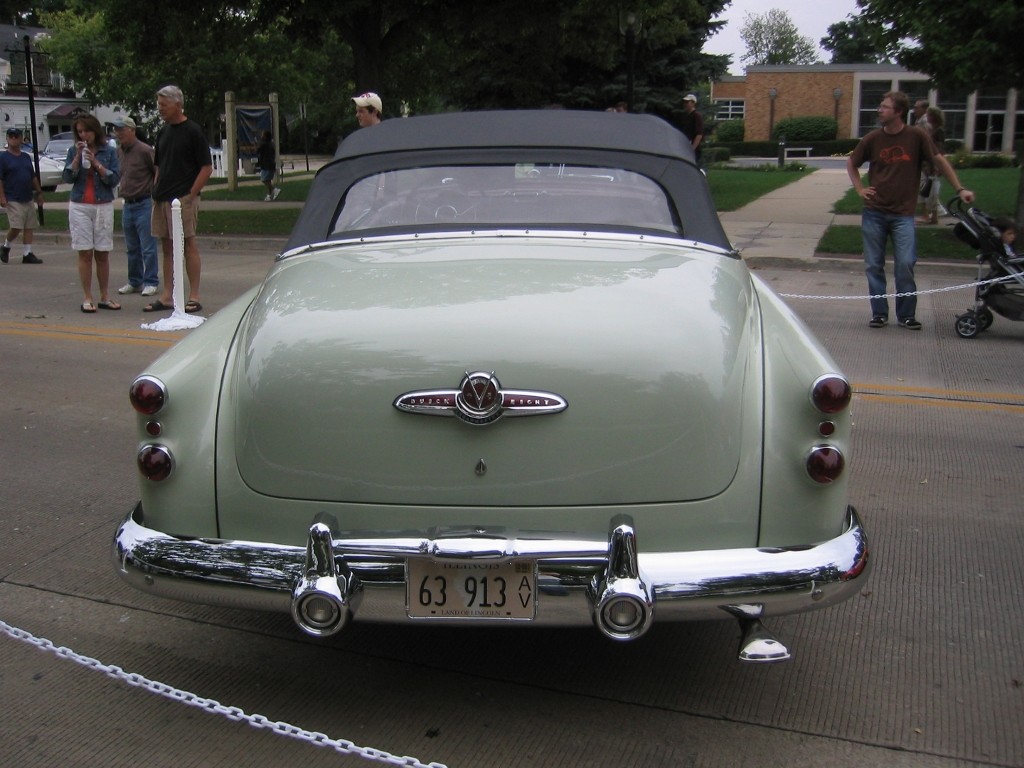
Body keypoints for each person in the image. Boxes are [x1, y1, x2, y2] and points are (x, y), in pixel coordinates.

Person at [846, 91, 974, 331]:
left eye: (884, 107)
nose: (879, 110)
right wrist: (860, 189)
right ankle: (879, 314)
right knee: (874, 265)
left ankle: (906, 315)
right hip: (874, 212)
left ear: (898, 112)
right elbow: (852, 163)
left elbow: (939, 160)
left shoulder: (916, 136)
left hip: (903, 215)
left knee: (905, 263)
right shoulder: (872, 139)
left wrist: (960, 188)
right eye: (880, 106)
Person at [144, 84, 213, 315]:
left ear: (178, 104)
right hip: (162, 198)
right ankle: (168, 295)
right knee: (167, 247)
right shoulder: (163, 132)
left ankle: (193, 295)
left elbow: (206, 167)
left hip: (182, 199)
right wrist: (156, 185)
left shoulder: (193, 131)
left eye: (164, 105)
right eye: (159, 105)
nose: (160, 109)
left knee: (188, 244)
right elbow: (159, 165)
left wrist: (191, 195)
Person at [62, 114, 122, 313]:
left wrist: (96, 163)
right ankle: (87, 297)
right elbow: (67, 177)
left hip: (102, 204)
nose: (83, 135)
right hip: (80, 204)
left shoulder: (109, 152)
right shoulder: (73, 151)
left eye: (86, 131)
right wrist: (78, 158)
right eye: (79, 132)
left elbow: (113, 179)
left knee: (102, 252)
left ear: (95, 131)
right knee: (85, 252)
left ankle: (105, 295)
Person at [113, 116, 159, 297]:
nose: (118, 134)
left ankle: (151, 281)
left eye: (122, 129)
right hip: (128, 204)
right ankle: (135, 281)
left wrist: (154, 192)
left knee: (148, 247)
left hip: (144, 203)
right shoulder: (119, 152)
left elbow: (157, 171)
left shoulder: (145, 150)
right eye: (117, 130)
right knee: (131, 247)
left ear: (132, 130)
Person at [0, 127, 44, 264]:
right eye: (11, 136)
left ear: (20, 139)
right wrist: (1, 196)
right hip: (12, 196)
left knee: (29, 225)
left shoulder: (25, 157)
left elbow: (32, 176)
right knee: (16, 226)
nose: (13, 139)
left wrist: (39, 192)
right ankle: (5, 246)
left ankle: (27, 253)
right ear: (7, 139)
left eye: (16, 136)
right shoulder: (3, 158)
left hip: (27, 196)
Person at [916, 106, 946, 225]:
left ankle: (933, 216)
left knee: (931, 190)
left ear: (934, 117)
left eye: (928, 115)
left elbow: (938, 149)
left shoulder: (938, 131)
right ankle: (930, 215)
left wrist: (935, 165)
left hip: (931, 165)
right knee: (925, 189)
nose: (927, 117)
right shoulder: (931, 130)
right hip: (926, 164)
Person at [679, 94, 704, 164]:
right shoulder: (687, 117)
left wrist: (692, 149)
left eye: (687, 102)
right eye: (684, 102)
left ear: (693, 103)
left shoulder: (696, 116)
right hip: (686, 147)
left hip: (694, 149)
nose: (685, 104)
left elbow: (699, 134)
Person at [257, 130, 280, 201]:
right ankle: (269, 195)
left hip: (266, 165)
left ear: (265, 136)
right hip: (271, 164)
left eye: (262, 134)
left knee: (264, 180)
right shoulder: (271, 144)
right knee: (268, 180)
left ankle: (274, 190)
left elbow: (258, 150)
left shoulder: (264, 144)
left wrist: (257, 144)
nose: (261, 136)